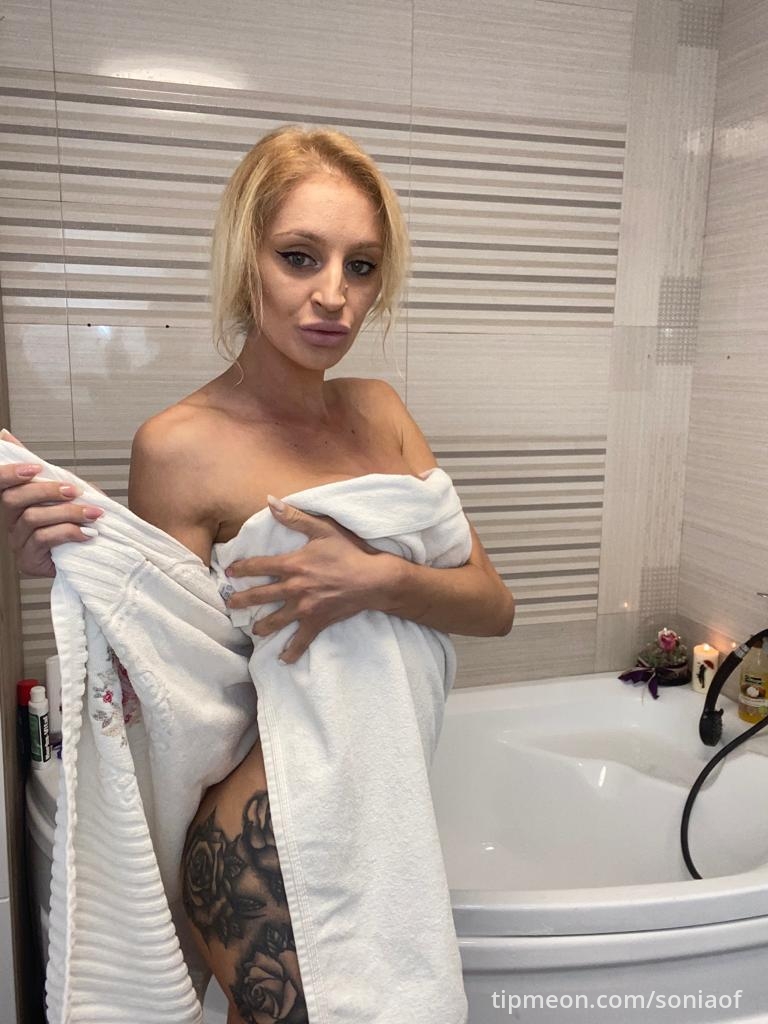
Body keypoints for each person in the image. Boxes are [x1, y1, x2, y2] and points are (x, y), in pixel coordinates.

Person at [0, 126, 514, 1024]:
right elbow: (171, 674)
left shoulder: (382, 412)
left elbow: (492, 606)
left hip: (372, 824)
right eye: (299, 257)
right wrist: (79, 570)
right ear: (247, 261)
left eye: (361, 267)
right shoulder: (179, 446)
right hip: (261, 851)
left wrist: (373, 581)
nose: (333, 295)